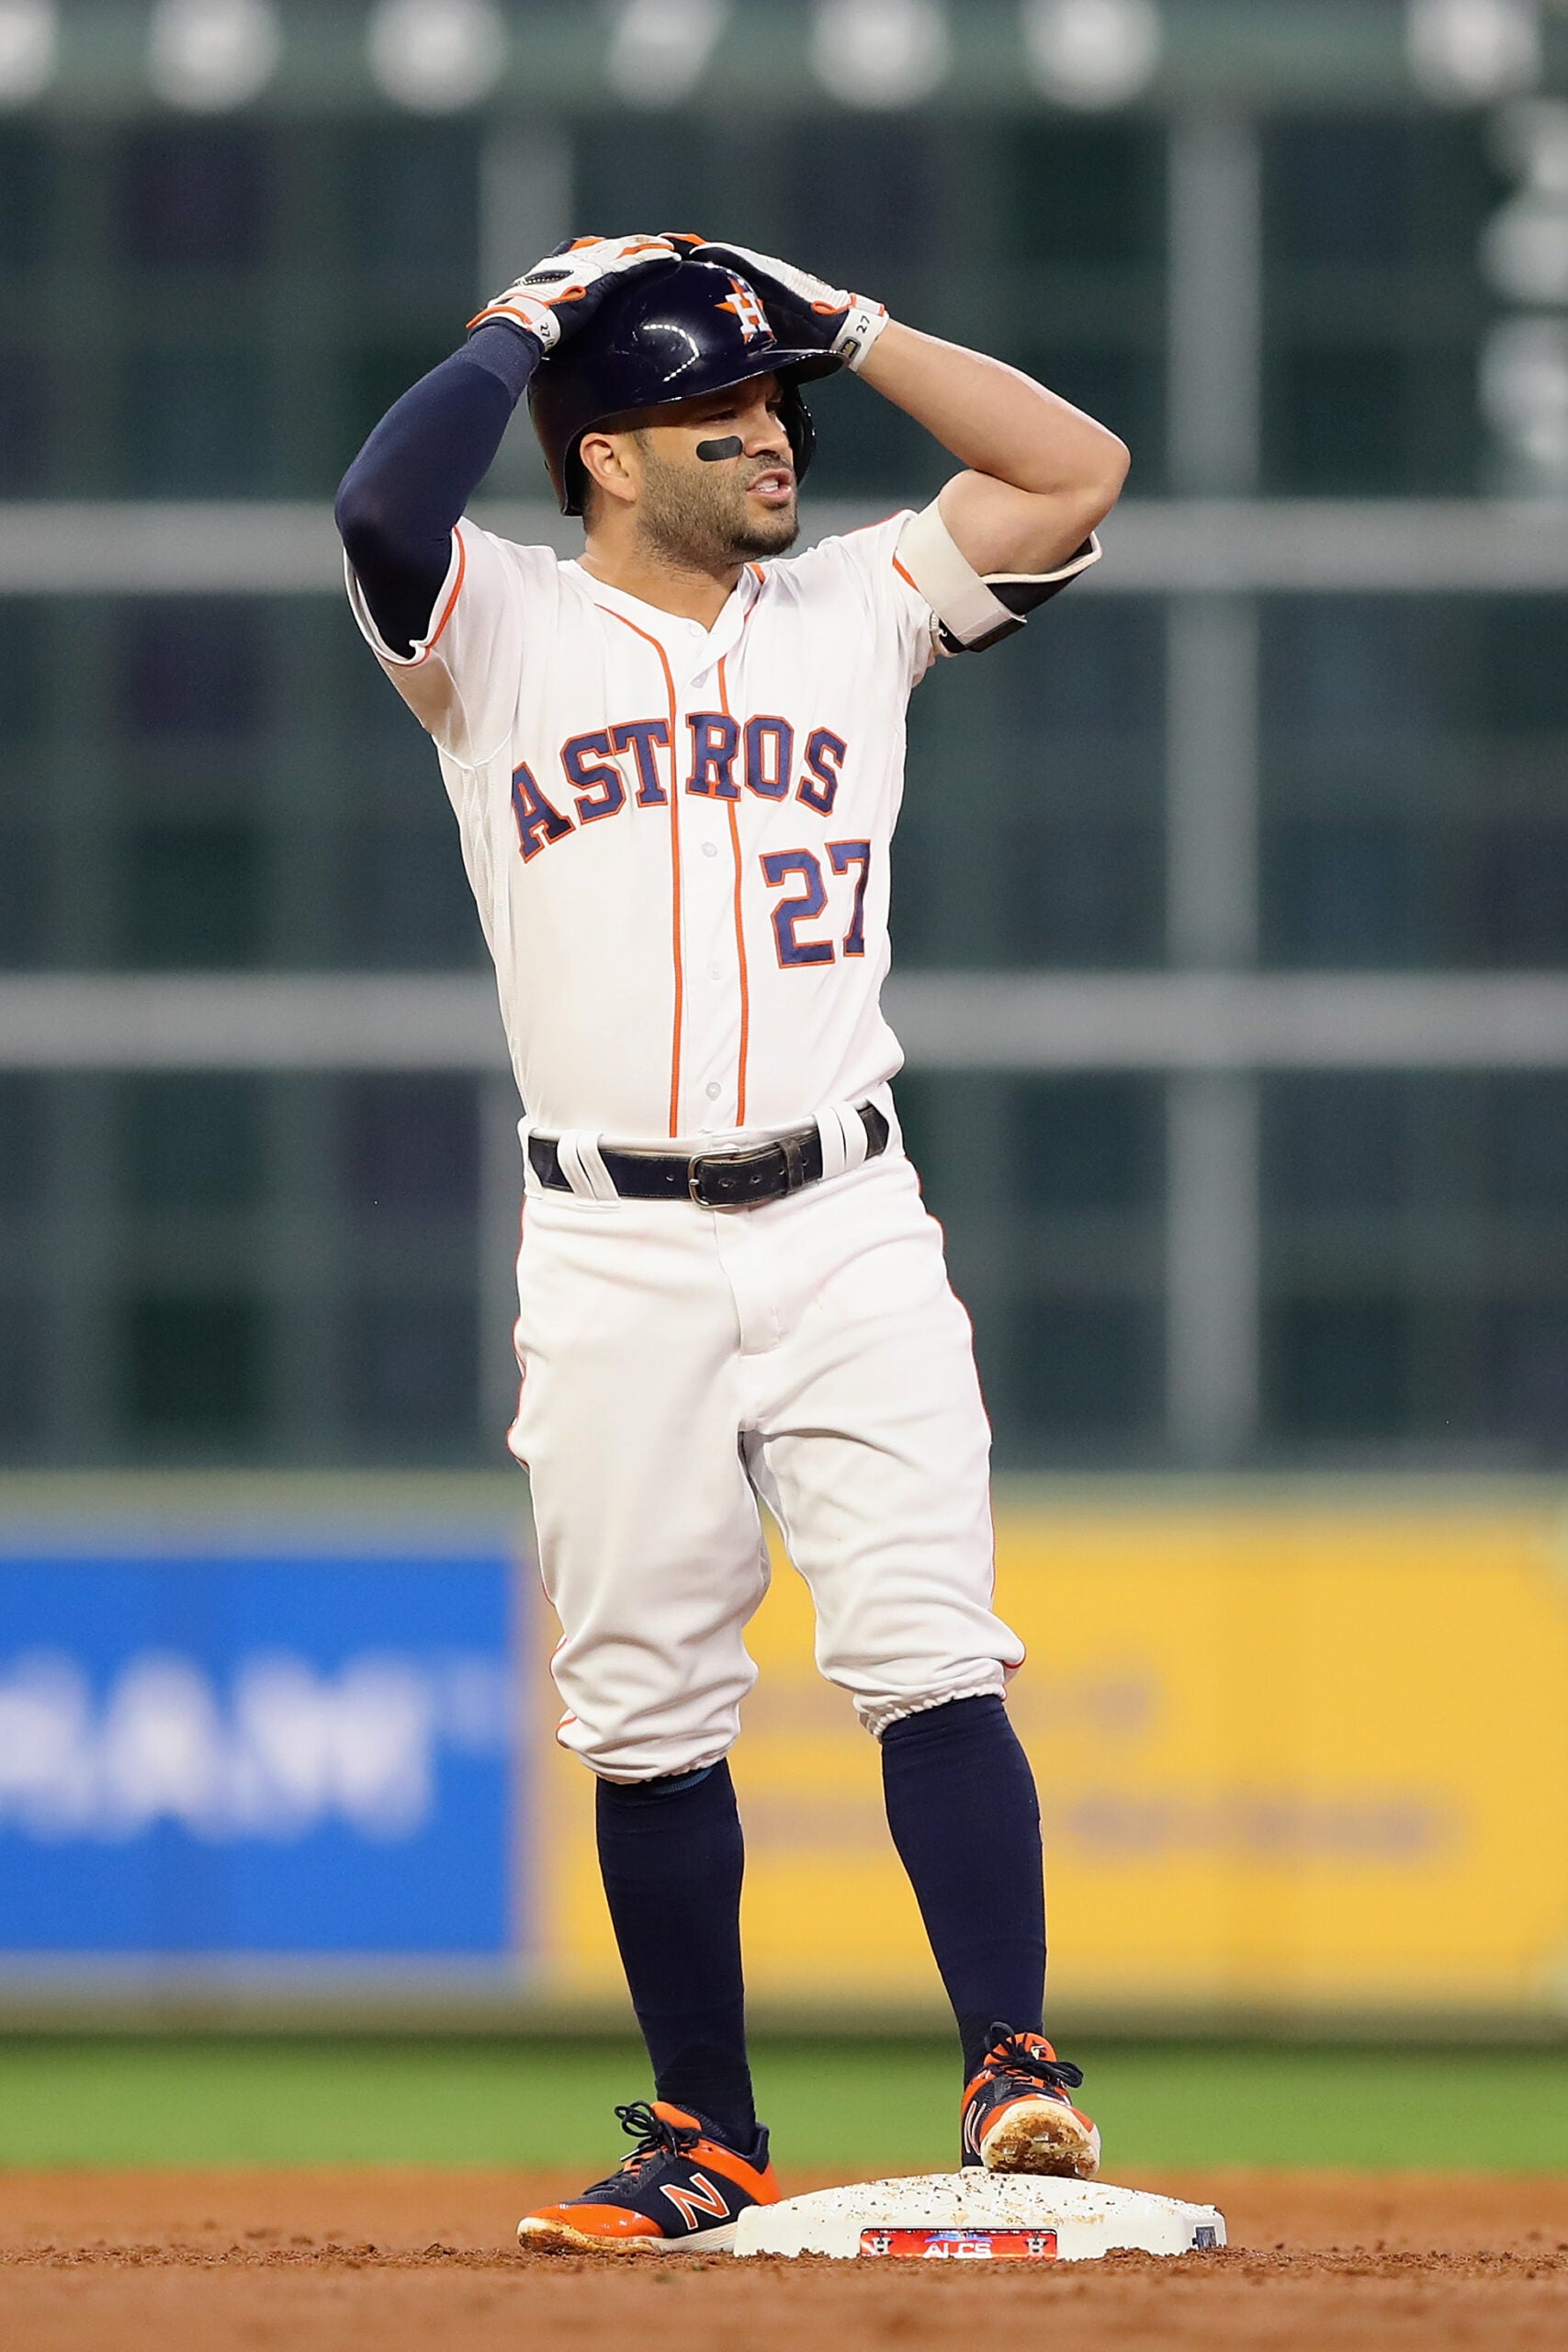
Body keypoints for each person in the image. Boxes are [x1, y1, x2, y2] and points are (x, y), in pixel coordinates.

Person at [336, 231, 1128, 2254]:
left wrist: (847, 320)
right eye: (724, 410)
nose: (772, 434)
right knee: (642, 1701)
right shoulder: (492, 627)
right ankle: (709, 2130)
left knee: (928, 1644)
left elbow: (1069, 471)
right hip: (609, 1240)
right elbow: (379, 504)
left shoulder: (853, 602)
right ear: (606, 456)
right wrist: (520, 319)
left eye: (780, 405)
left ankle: (1010, 2061)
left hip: (845, 1209)